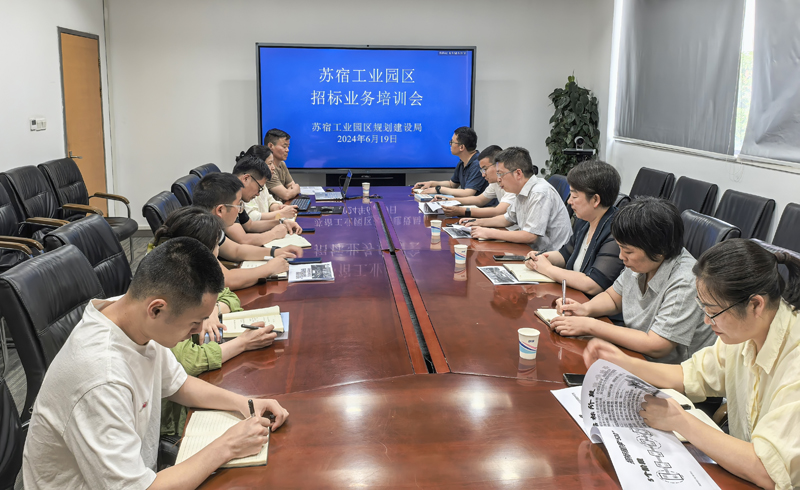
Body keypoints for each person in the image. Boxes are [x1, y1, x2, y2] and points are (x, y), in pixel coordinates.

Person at [23, 237, 289, 489]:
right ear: (157, 309)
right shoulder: (101, 377)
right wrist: (228, 445)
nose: (198, 331)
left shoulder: (130, 313)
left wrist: (245, 403)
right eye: (194, 322)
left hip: (139, 471)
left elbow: (178, 384)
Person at [583, 239, 800, 490]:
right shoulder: (747, 330)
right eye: (703, 308)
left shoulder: (794, 360)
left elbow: (769, 471)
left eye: (713, 311)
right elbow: (692, 375)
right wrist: (624, 363)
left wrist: (680, 421)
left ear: (755, 304)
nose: (707, 321)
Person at [150, 208, 279, 437]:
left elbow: (228, 295)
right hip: (172, 419)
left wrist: (212, 310)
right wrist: (242, 343)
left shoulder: (183, 271)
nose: (199, 327)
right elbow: (187, 363)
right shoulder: (171, 288)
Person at [552, 197, 715, 363]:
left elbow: (657, 345)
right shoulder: (643, 261)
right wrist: (585, 309)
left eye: (628, 252)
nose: (621, 256)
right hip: (634, 354)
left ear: (659, 251)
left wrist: (590, 325)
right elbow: (613, 297)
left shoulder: (686, 280)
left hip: (667, 370)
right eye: (620, 248)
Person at [524, 160, 624, 296]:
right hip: (573, 296)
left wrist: (547, 268)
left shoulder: (617, 231)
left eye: (575, 196)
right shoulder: (585, 220)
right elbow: (564, 255)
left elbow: (593, 284)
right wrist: (539, 257)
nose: (569, 201)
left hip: (591, 305)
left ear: (595, 200)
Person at [193, 173, 304, 290]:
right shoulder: (198, 231)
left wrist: (275, 252)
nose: (240, 210)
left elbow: (236, 250)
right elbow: (226, 280)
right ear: (220, 210)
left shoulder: (210, 224)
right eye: (238, 205)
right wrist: (269, 269)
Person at [459, 147, 572, 250]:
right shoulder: (521, 190)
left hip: (549, 257)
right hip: (531, 251)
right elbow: (507, 219)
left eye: (500, 174)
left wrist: (489, 233)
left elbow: (530, 236)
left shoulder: (539, 193)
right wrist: (477, 222)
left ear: (518, 173)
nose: (498, 179)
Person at [228, 155, 303, 247]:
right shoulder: (226, 197)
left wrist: (281, 222)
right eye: (259, 187)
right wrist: (273, 234)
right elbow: (243, 240)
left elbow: (250, 225)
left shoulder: (238, 197)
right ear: (246, 178)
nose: (258, 194)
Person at [440, 145, 516, 218]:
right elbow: (480, 200)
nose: (483, 175)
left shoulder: (512, 184)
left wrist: (462, 211)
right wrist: (449, 200)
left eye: (485, 169)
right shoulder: (495, 183)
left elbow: (499, 211)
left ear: (497, 165)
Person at [413, 126, 488, 197]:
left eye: (452, 142)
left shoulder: (478, 163)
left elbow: (468, 193)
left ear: (461, 147)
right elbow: (452, 184)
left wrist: (438, 189)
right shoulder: (462, 162)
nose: (450, 144)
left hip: (481, 206)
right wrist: (431, 183)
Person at [238, 145, 298, 221]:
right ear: (259, 164)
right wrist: (281, 214)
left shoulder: (261, 182)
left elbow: (269, 201)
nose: (273, 167)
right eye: (270, 163)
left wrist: (278, 207)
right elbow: (253, 218)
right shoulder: (247, 186)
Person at [263, 128, 301, 201]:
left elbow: (292, 185)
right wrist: (291, 190)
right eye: (284, 147)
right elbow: (286, 195)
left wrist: (292, 190)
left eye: (288, 147)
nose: (287, 150)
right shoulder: (267, 168)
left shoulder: (282, 164)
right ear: (270, 146)